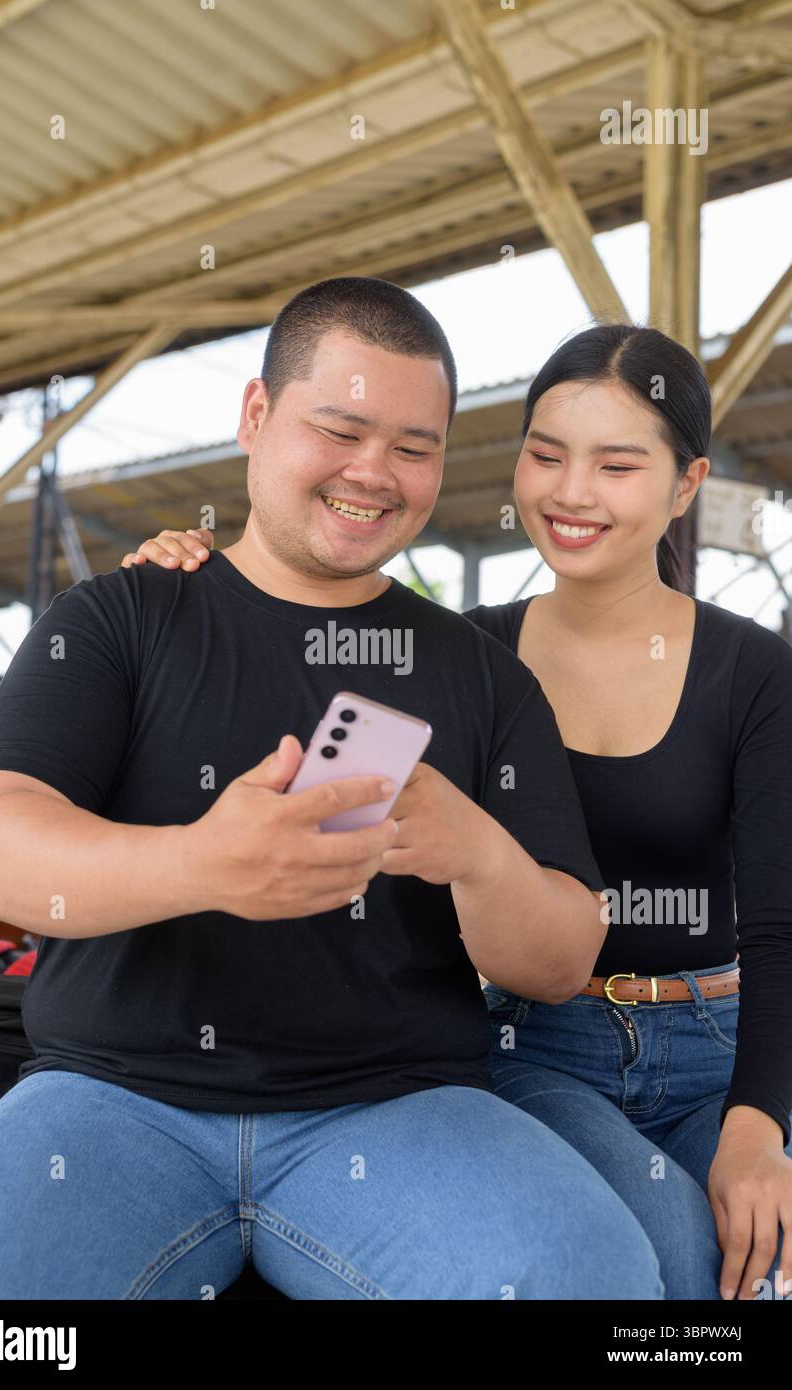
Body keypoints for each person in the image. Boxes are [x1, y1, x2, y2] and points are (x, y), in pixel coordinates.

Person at [0, 279, 668, 1301]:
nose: (375, 473)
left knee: (595, 1279)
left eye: (414, 446)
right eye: (341, 429)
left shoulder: (485, 673)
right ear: (256, 417)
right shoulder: (118, 618)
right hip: (110, 1101)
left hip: (396, 1109)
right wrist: (202, 860)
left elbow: (559, 958)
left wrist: (474, 852)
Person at [123, 320, 792, 1302]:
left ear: (687, 482)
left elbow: (779, 932)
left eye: (616, 464)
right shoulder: (458, 655)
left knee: (762, 1266)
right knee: (675, 1254)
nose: (570, 493)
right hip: (536, 1038)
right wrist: (192, 586)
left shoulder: (755, 671)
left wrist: (758, 1129)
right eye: (546, 454)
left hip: (721, 1041)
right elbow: (304, 722)